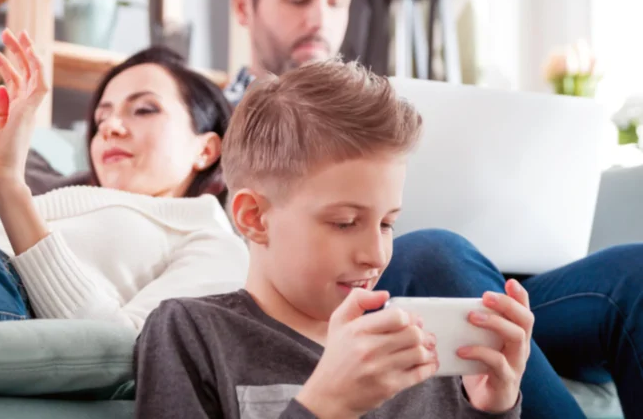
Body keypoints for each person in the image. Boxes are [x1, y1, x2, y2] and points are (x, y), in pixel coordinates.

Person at [224, 0, 643, 418]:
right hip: (391, 277)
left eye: (336, 1)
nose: (319, 19)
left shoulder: (386, 110)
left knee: (632, 273)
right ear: (244, 5)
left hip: (473, 276)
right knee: (434, 253)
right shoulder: (204, 112)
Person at [134, 59, 531, 418]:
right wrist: (325, 406)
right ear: (254, 217)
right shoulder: (193, 332)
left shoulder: (417, 349)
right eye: (345, 223)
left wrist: (491, 411)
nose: (376, 255)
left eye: (387, 224)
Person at [0, 29, 248, 330]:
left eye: (144, 109)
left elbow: (125, 349)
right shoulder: (67, 198)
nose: (111, 127)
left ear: (206, 149)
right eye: (101, 119)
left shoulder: (213, 241)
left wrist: (8, 186)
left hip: (0, 290)